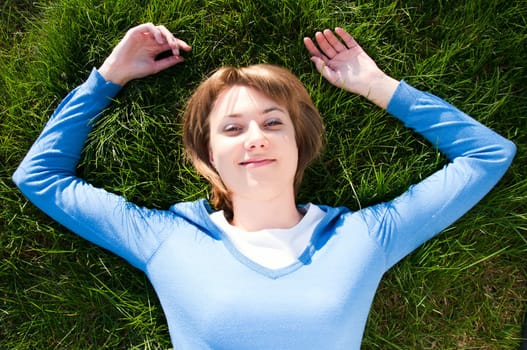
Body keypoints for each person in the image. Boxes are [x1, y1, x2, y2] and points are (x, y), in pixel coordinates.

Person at [13, 23, 516, 349]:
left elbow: (489, 155)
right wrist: (109, 76)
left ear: (300, 143)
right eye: (232, 128)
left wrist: (377, 86)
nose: (255, 138)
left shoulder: (365, 236)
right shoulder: (164, 238)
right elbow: (38, 177)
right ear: (209, 155)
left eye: (273, 123)